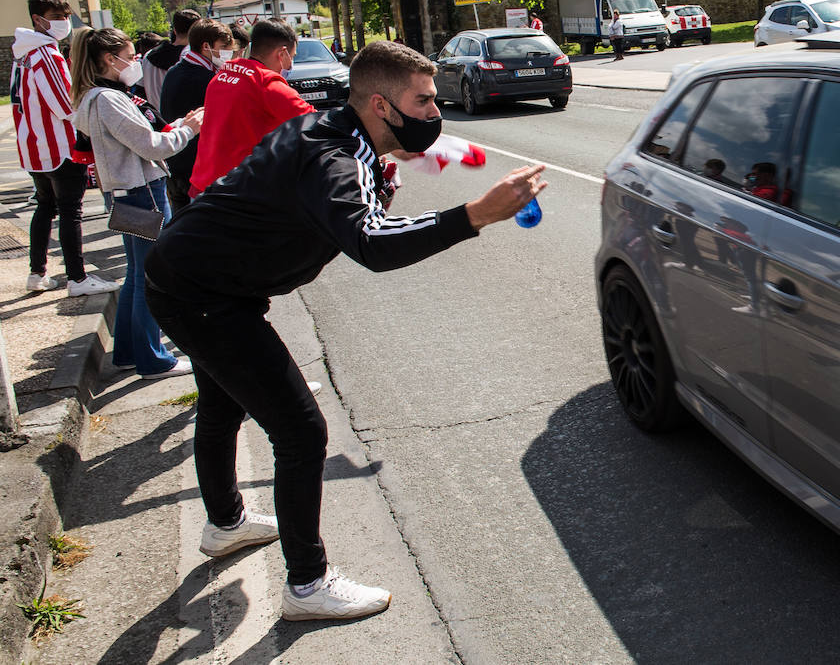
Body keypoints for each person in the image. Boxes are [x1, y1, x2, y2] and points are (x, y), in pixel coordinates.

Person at [145, 40, 546, 621]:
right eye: (425, 100)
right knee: (303, 432)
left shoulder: (335, 133)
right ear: (382, 105)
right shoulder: (330, 155)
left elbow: (343, 211)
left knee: (223, 402)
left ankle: (224, 524)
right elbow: (373, 248)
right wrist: (475, 214)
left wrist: (381, 186)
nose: (435, 113)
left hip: (201, 277)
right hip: (200, 293)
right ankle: (307, 585)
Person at [70, 27, 201, 379]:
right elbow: (153, 147)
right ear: (109, 60)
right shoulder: (109, 99)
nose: (136, 62)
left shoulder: (98, 96)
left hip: (127, 192)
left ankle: (128, 352)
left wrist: (177, 125)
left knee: (136, 273)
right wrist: (189, 130)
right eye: (130, 56)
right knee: (150, 277)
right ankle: (153, 359)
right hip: (141, 192)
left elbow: (142, 136)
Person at [10, 0, 120, 297]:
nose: (64, 23)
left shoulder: (22, 55)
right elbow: (65, 105)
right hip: (59, 146)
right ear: (38, 19)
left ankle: (38, 272)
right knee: (71, 210)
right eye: (58, 17)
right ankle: (77, 277)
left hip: (34, 145)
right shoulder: (46, 54)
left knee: (45, 207)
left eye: (65, 16)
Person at [189, 18, 313, 198]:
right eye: (292, 57)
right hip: (237, 194)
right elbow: (319, 124)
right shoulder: (266, 84)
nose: (290, 65)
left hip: (203, 185)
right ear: (282, 53)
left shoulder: (222, 75)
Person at [162, 19, 232, 213]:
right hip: (197, 170)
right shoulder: (207, 79)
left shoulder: (174, 71)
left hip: (175, 162)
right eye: (224, 47)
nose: (228, 52)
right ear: (206, 46)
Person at [141, 8, 198, 112]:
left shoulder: (147, 56)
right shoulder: (190, 59)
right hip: (182, 119)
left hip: (157, 119)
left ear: (175, 30)